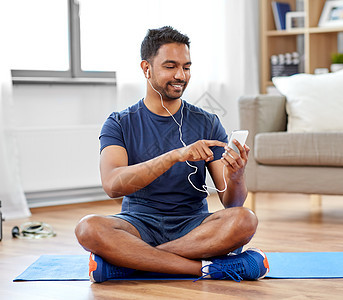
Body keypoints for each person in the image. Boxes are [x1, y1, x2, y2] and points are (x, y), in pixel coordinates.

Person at [75, 26, 269, 283]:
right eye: (170, 66)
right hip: (137, 224)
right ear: (146, 68)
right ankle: (207, 268)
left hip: (194, 226)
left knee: (246, 220)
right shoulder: (119, 123)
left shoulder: (207, 122)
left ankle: (132, 264)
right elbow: (112, 185)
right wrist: (174, 155)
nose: (181, 75)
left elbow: (232, 204)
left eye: (186, 67)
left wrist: (236, 176)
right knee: (88, 227)